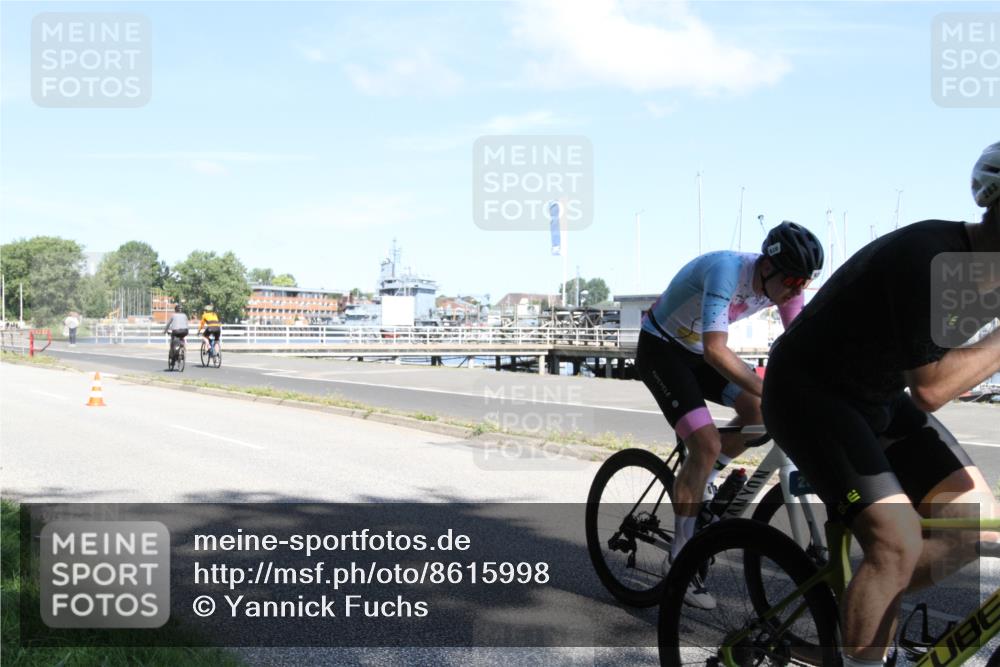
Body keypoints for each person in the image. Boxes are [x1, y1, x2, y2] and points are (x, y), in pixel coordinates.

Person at [762, 141, 1000, 666]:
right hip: (810, 392)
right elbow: (933, 388)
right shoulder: (933, 258)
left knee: (972, 524)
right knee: (896, 543)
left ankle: (859, 612)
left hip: (877, 397)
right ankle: (863, 635)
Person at [637, 221, 824, 608]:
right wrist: (773, 388)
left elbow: (805, 348)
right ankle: (681, 559)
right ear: (768, 266)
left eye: (803, 283)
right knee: (704, 444)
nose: (795, 290)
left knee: (760, 413)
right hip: (662, 349)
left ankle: (709, 474)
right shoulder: (727, 270)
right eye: (791, 279)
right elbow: (715, 350)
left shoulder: (787, 292)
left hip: (694, 353)